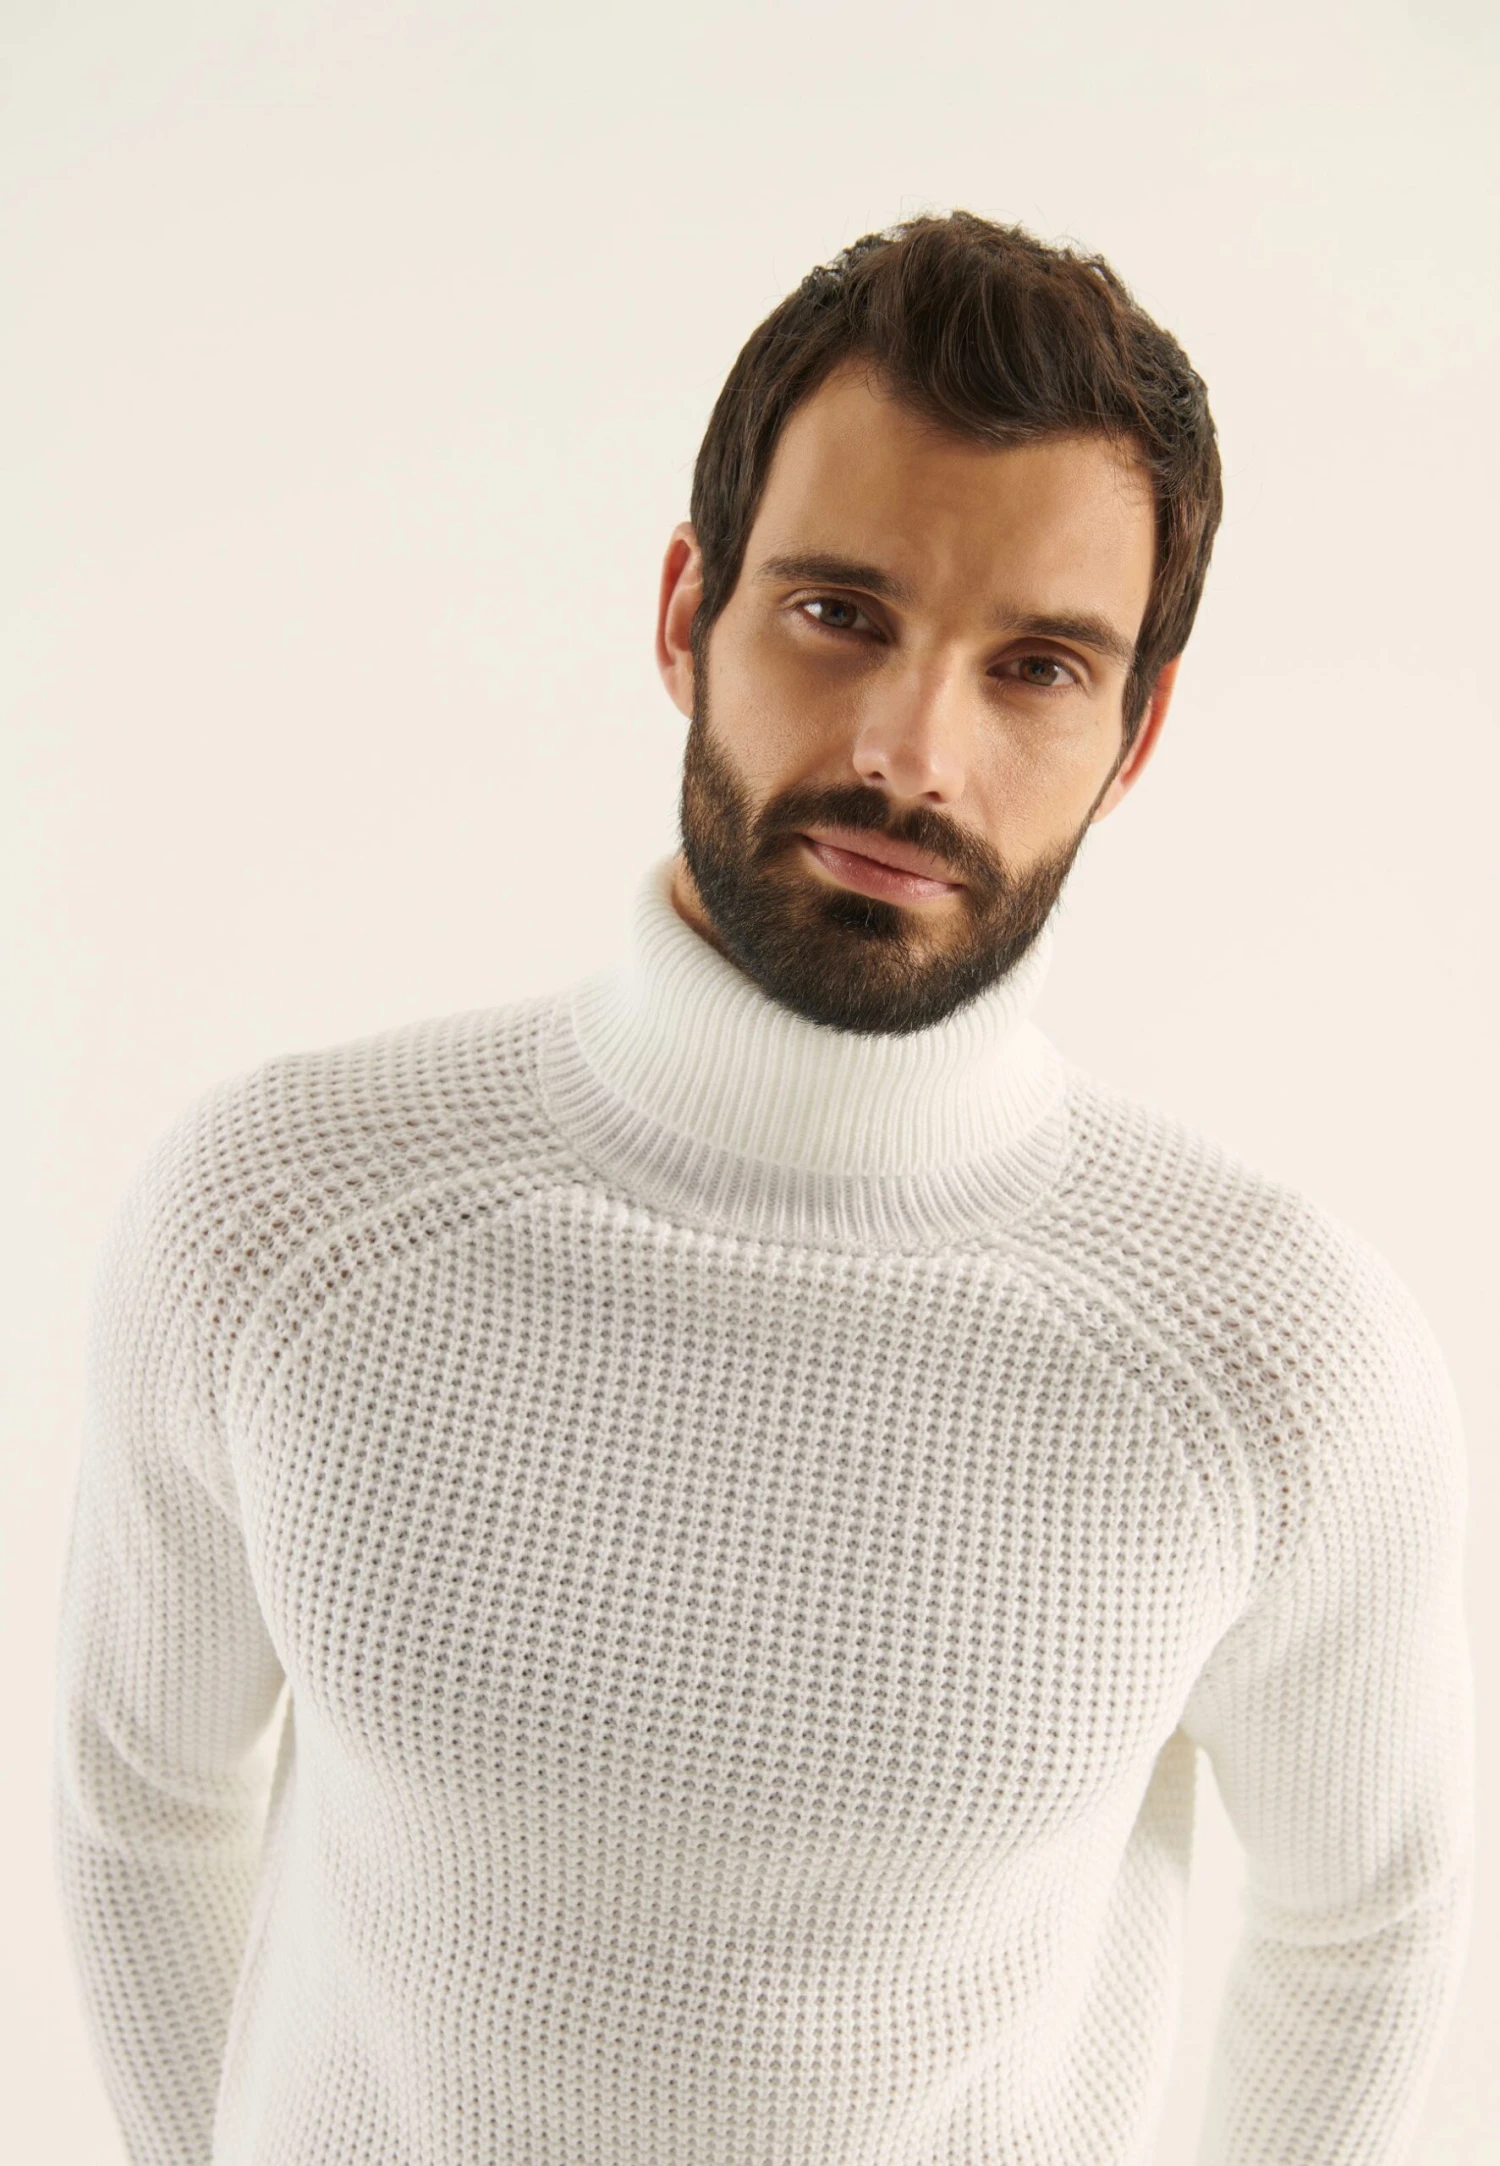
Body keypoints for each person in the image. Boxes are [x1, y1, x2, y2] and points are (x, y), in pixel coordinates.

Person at [51, 211, 1473, 2166]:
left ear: (1133, 736)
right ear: (684, 611)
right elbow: (139, 1792)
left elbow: (1365, 1917)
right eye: (839, 613)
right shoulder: (278, 1219)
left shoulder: (1270, 1353)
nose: (911, 754)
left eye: (1035, 666)